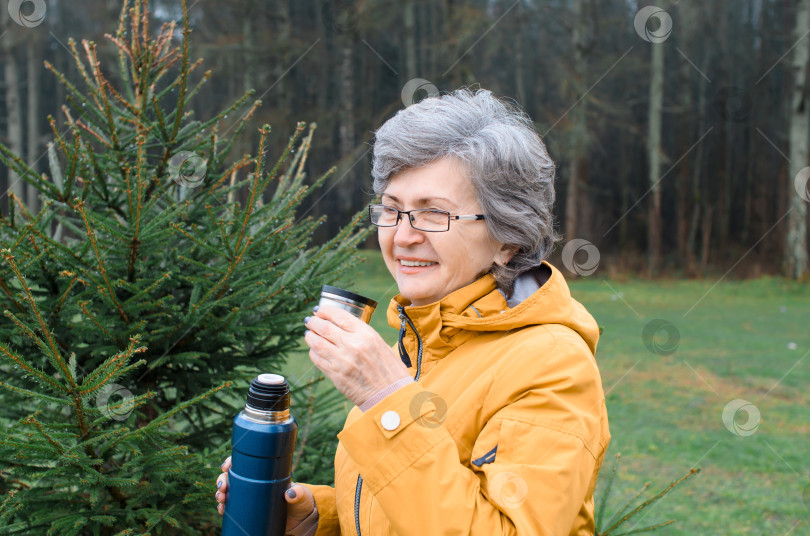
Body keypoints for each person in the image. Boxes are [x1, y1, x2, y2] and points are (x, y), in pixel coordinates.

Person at [215, 88, 610, 535]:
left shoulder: (552, 364)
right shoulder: (416, 343)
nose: (402, 237)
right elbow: (406, 506)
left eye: (433, 214)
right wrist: (314, 519)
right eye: (391, 210)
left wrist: (387, 399)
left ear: (507, 239)